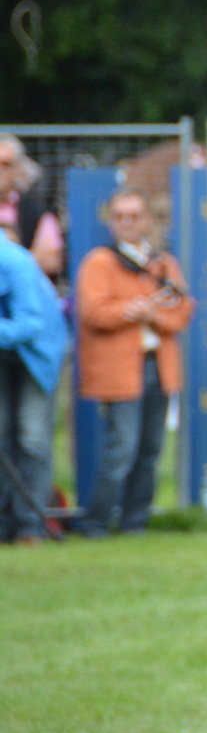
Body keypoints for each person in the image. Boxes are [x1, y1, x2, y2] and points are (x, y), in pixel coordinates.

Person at [73, 189, 196, 537]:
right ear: (111, 222)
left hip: (159, 363)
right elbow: (93, 313)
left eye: (134, 216)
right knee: (122, 448)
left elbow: (183, 310)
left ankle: (134, 523)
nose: (127, 223)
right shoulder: (100, 262)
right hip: (120, 367)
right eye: (120, 216)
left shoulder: (163, 263)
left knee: (150, 449)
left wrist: (152, 314)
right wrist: (132, 311)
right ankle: (96, 523)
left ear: (147, 221)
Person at [0, 226, 67, 544]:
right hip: (4, 352)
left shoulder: (16, 262)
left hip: (38, 352)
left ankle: (31, 524)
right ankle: (3, 522)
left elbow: (31, 323)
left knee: (31, 437)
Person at [0, 134, 64, 277]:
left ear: (18, 170)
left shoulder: (38, 210)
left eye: (5, 164)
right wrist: (29, 256)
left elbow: (51, 261)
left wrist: (12, 254)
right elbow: (39, 258)